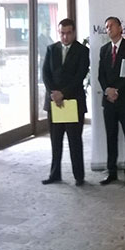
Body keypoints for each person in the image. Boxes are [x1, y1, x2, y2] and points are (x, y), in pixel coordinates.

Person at [41, 18, 90, 186]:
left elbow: (80, 76)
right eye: (62, 33)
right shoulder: (51, 49)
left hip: (72, 102)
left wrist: (63, 93)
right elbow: (45, 73)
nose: (65, 37)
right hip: (54, 102)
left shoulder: (82, 51)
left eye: (68, 33)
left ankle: (79, 176)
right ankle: (54, 174)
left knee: (75, 141)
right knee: (55, 141)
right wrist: (54, 93)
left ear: (74, 33)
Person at [98, 16, 125, 185]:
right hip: (109, 101)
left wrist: (117, 91)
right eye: (107, 27)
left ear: (120, 28)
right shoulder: (104, 49)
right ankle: (112, 172)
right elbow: (101, 75)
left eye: (112, 25)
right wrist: (108, 90)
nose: (109, 29)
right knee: (111, 136)